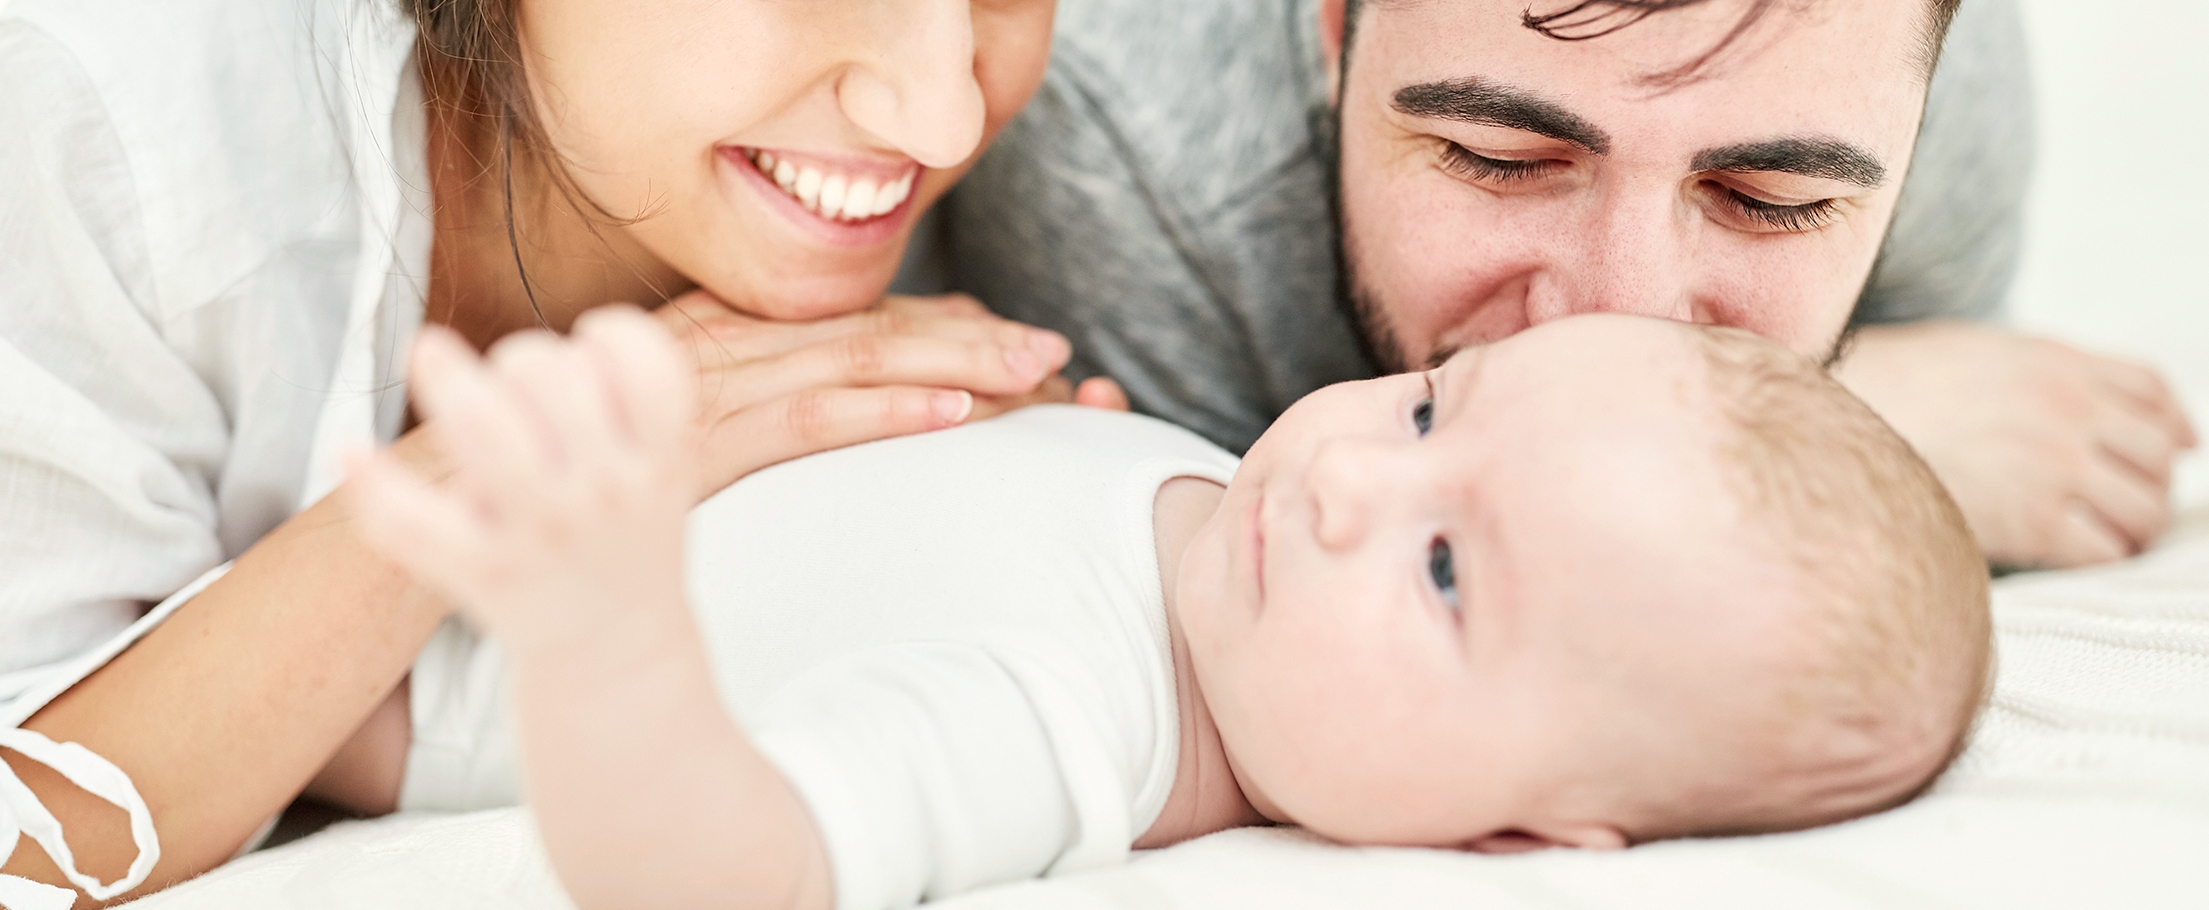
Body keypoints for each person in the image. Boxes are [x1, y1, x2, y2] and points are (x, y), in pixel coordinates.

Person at [0, 0, 1155, 901]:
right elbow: (20, 833)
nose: (945, 112)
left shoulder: (1039, 183)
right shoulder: (114, 127)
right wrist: (553, 455)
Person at [910, 0, 2199, 571]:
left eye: (1767, 196)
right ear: (1336, 21)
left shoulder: (1924, 76)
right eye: (1503, 157)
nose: (1613, 323)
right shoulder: (1129, 146)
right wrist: (1871, 442)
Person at [349, 306, 1991, 910]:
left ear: (1508, 836)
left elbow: (728, 870)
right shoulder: (1226, 502)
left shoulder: (1077, 722)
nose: (1353, 474)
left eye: (1442, 570)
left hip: (400, 667)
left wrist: (603, 626)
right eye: (1432, 406)